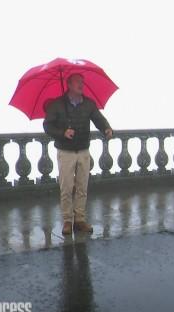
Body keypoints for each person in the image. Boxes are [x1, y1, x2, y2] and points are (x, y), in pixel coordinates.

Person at [43, 74, 113, 235]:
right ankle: (67, 220)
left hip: (83, 151)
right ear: (69, 84)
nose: (82, 84)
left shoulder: (89, 104)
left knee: (82, 187)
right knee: (66, 188)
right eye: (78, 82)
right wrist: (62, 132)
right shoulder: (57, 104)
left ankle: (80, 219)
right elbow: (47, 125)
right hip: (65, 152)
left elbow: (98, 119)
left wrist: (107, 129)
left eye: (83, 82)